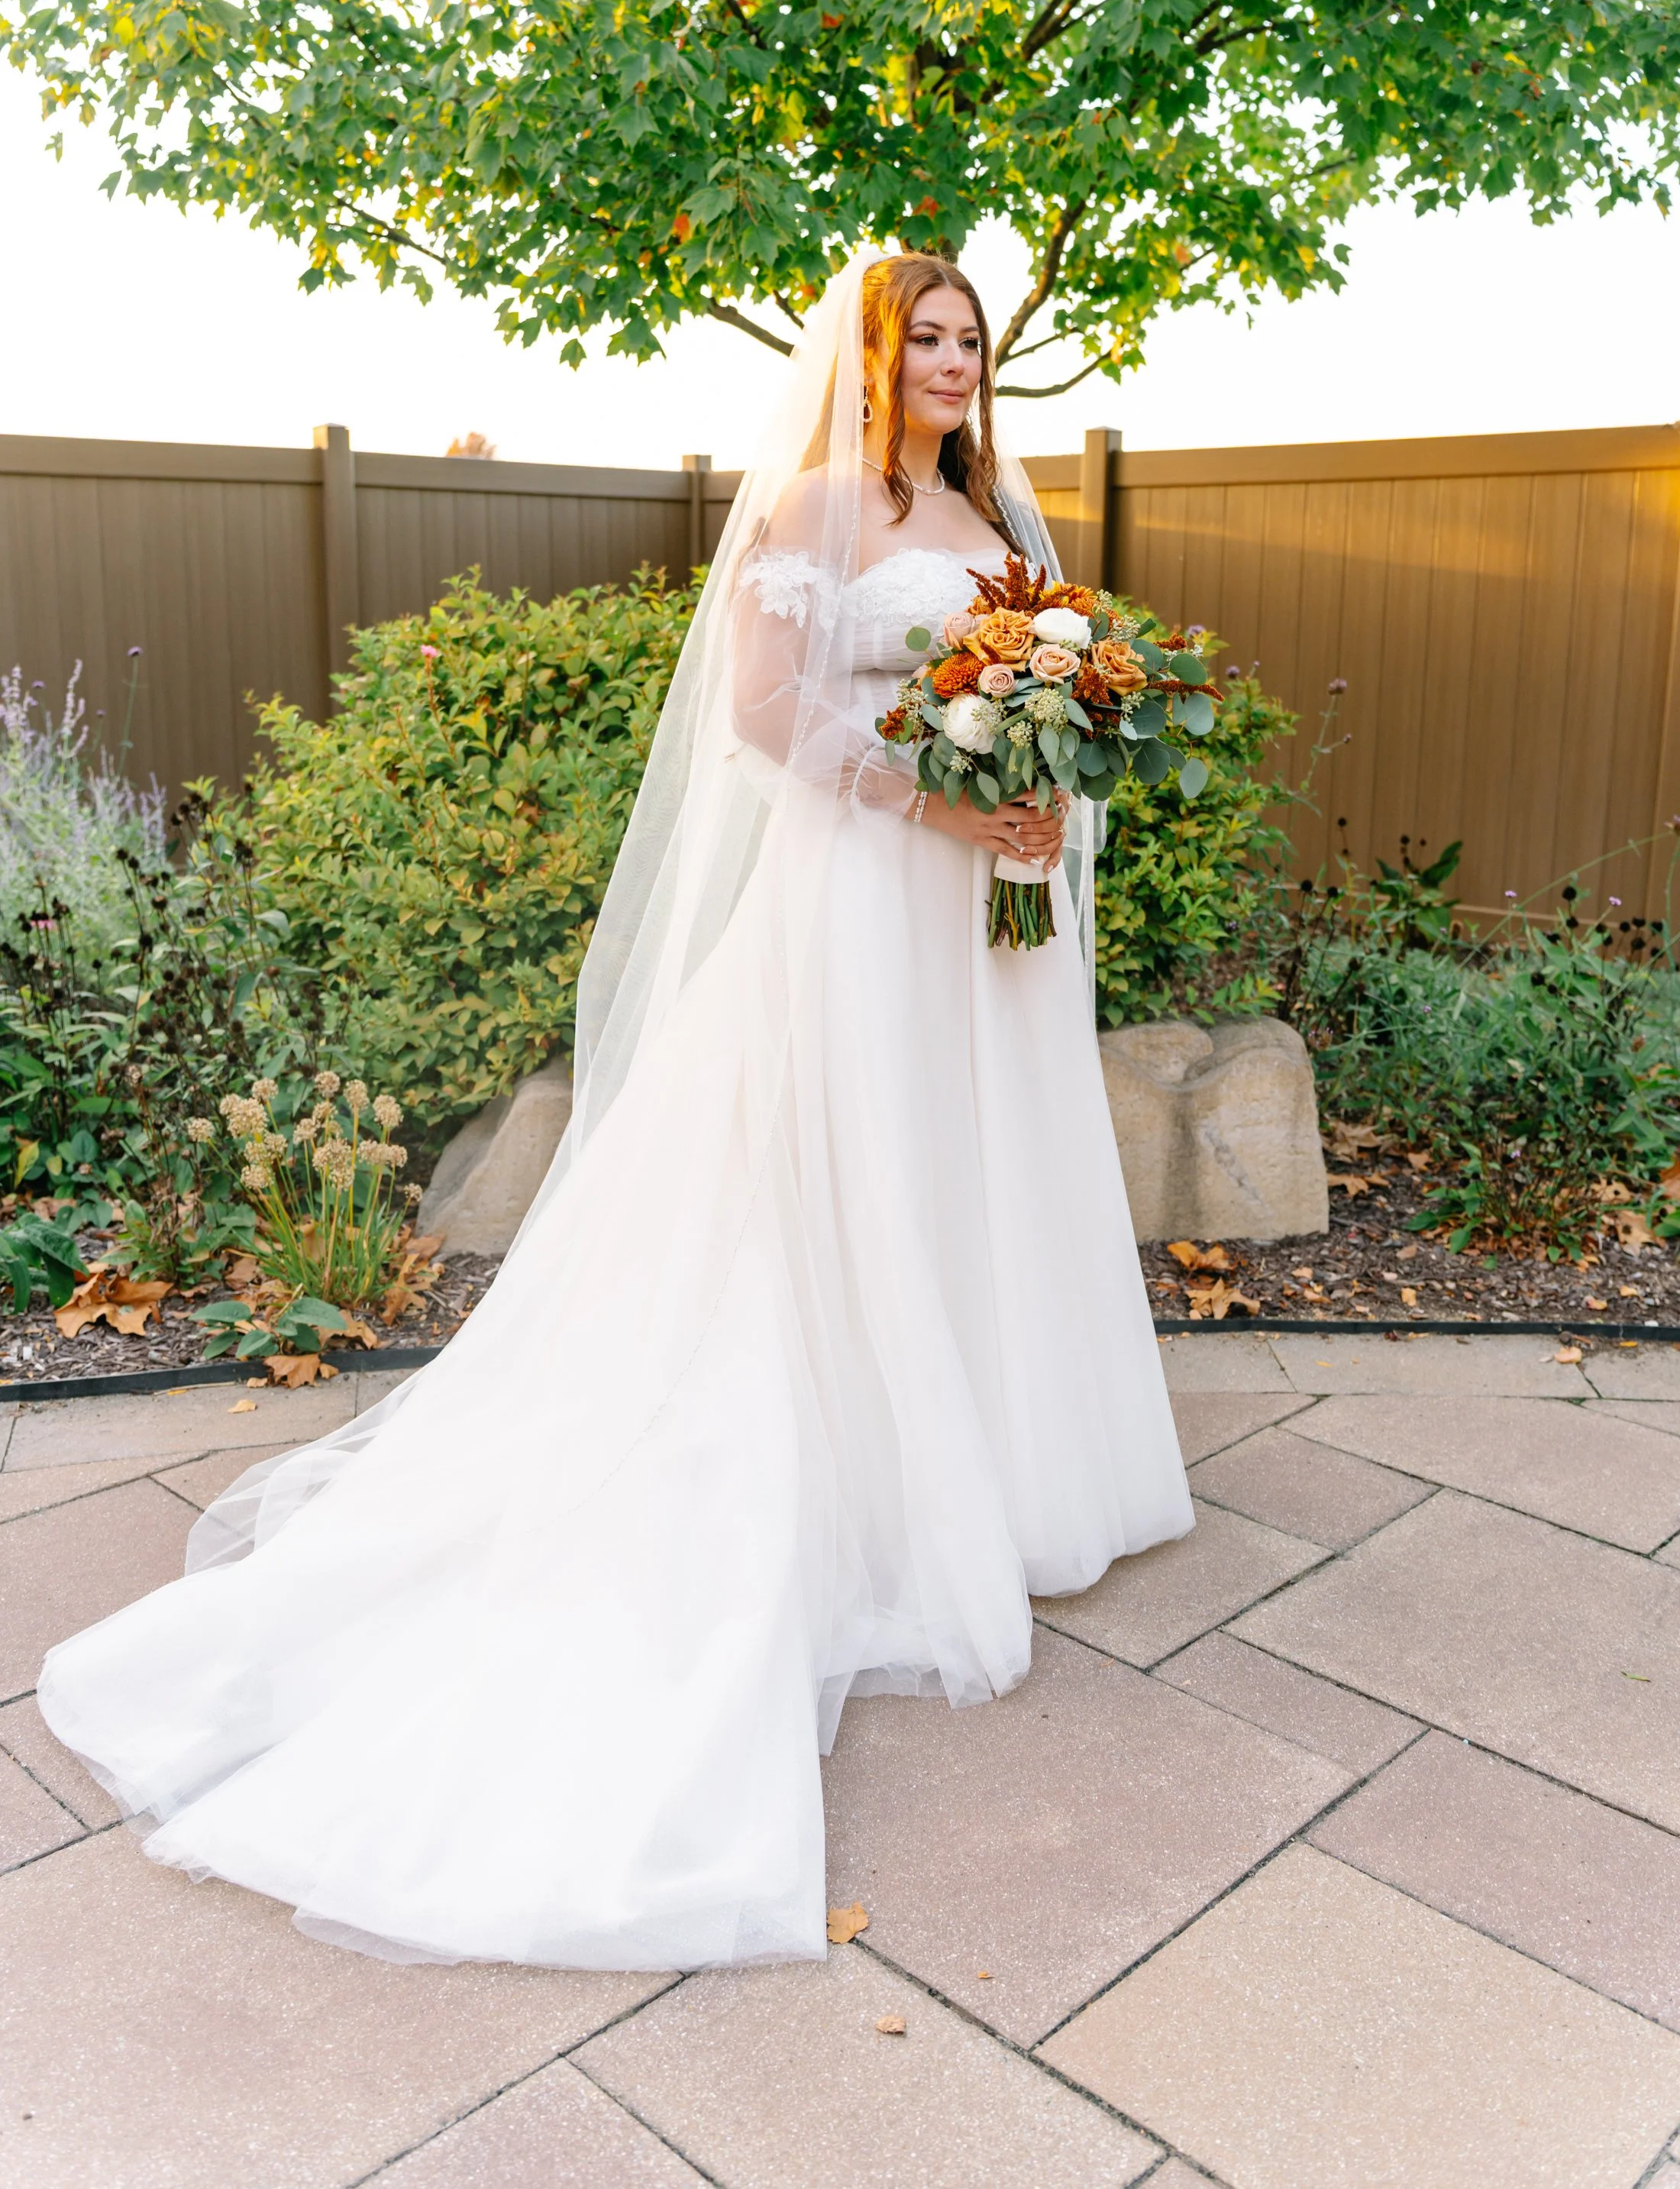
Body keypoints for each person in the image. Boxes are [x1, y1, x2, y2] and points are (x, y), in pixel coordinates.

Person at [37, 248, 1192, 1971]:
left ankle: (991, 1465)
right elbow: (761, 712)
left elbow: (1049, 695)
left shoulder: (998, 519)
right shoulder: (815, 502)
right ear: (870, 358)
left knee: (971, 1169)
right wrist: (944, 808)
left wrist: (1038, 799)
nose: (951, 362)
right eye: (923, 339)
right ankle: (850, 1482)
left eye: (968, 340)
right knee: (835, 1171)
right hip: (863, 902)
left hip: (984, 924)